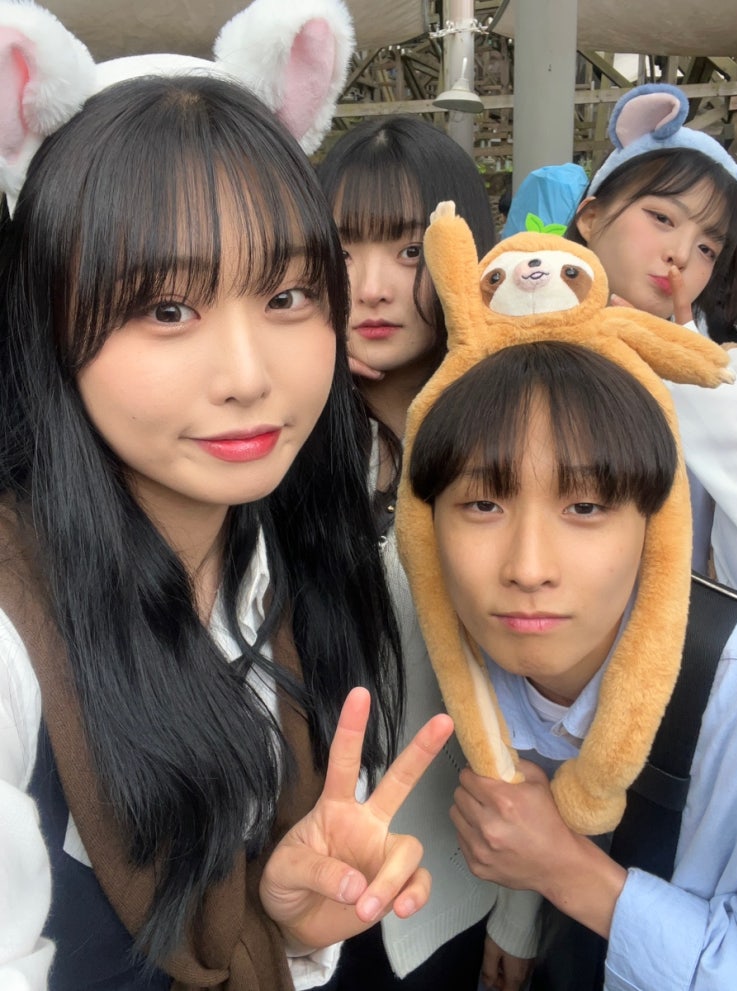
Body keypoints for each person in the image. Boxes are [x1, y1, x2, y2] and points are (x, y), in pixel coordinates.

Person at [0, 72, 458, 991]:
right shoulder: (16, 631)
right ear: (47, 321)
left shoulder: (280, 563)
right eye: (167, 310)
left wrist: (287, 922)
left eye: (287, 296)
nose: (248, 375)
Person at [407, 339, 737, 990]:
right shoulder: (447, 655)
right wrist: (519, 916)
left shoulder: (730, 692)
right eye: (483, 504)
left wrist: (562, 869)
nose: (529, 568)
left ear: (655, 525)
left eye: (584, 506)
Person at [317, 119, 532, 988]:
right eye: (342, 251)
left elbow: (542, 701)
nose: (370, 288)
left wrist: (521, 907)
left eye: (408, 251)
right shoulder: (276, 445)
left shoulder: (514, 447)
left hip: (448, 888)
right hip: (298, 883)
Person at [565, 82, 737, 590]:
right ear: (591, 216)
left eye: (707, 249)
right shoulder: (507, 330)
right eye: (662, 218)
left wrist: (694, 383)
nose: (681, 254)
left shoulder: (717, 377)